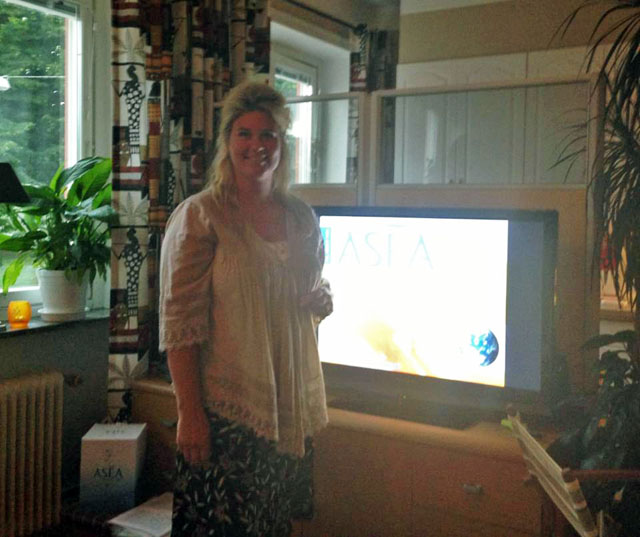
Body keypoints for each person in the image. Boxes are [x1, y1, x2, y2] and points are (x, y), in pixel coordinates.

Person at [158, 81, 333, 537]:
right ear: (227, 141)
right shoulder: (202, 216)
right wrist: (190, 414)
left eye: (268, 134)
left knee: (275, 526)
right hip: (225, 414)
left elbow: (306, 289)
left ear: (282, 144)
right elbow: (179, 324)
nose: (257, 145)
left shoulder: (301, 217)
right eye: (245, 133)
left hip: (287, 406)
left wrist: (321, 300)